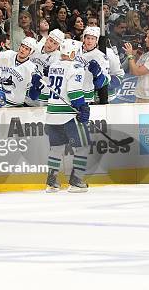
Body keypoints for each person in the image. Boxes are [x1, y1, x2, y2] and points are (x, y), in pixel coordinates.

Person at [44, 39, 91, 193]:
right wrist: (82, 107)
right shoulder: (76, 67)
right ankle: (76, 181)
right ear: (72, 53)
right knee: (83, 146)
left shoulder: (54, 66)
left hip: (52, 114)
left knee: (56, 148)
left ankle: (51, 182)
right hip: (69, 115)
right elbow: (74, 92)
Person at [0, 37, 41, 107]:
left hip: (13, 106)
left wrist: (36, 88)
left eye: (27, 49)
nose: (23, 50)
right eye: (22, 46)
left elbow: (33, 96)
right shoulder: (5, 55)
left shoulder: (32, 69)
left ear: (32, 52)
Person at [26, 29, 64, 107]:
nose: (51, 44)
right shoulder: (35, 47)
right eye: (50, 40)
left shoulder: (58, 57)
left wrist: (51, 72)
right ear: (47, 39)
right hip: (27, 88)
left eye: (55, 43)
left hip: (44, 95)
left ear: (58, 46)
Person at [75, 27, 110, 103]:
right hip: (72, 90)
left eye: (92, 39)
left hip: (86, 93)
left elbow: (105, 79)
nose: (89, 41)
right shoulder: (74, 48)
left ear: (96, 41)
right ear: (84, 38)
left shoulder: (101, 57)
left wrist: (98, 74)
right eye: (88, 38)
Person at [123, 29, 149, 103]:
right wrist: (134, 55)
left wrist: (130, 55)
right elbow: (132, 71)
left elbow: (137, 72)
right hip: (141, 96)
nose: (145, 39)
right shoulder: (146, 54)